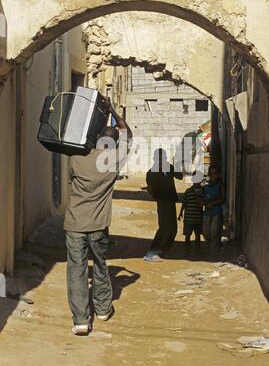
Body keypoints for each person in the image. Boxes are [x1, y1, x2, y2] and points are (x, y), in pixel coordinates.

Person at [64, 97, 132, 335]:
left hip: (74, 223)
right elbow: (127, 133)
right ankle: (102, 309)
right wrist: (112, 109)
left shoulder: (77, 159)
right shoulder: (112, 161)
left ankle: (81, 320)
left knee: (76, 269)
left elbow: (75, 139)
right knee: (100, 264)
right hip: (98, 225)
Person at [143, 149, 183, 262]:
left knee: (173, 228)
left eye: (164, 158)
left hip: (170, 201)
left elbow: (180, 176)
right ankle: (153, 251)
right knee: (164, 228)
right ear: (155, 159)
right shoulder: (151, 173)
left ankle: (163, 251)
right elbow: (151, 189)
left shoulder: (169, 168)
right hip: (162, 202)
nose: (162, 160)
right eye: (160, 158)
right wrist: (150, 190)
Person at [202, 164, 224, 256]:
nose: (213, 175)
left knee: (214, 232)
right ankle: (211, 250)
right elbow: (201, 198)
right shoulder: (206, 187)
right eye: (211, 173)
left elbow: (223, 198)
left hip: (216, 212)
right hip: (207, 213)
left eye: (215, 173)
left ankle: (214, 254)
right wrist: (204, 203)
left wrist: (213, 203)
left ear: (218, 174)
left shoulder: (220, 185)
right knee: (206, 232)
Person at [178, 178, 203, 247]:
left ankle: (197, 250)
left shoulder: (203, 191)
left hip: (198, 218)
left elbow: (204, 203)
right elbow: (184, 203)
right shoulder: (188, 191)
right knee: (187, 235)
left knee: (197, 235)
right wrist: (180, 213)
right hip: (188, 218)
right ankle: (187, 249)